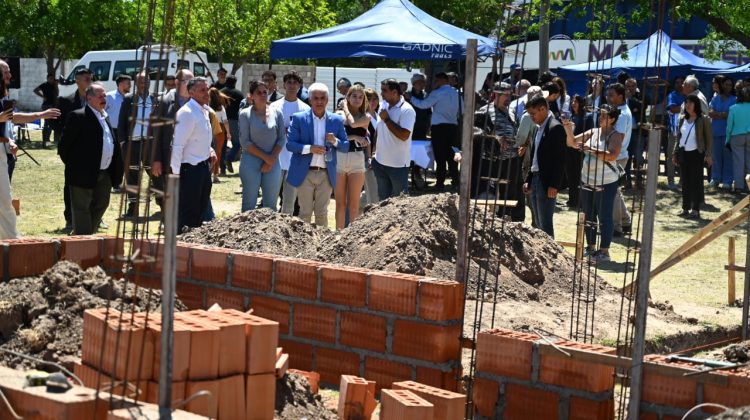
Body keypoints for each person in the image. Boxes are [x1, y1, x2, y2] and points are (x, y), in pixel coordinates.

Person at [58, 83, 124, 235]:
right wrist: (77, 166)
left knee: (101, 205)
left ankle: (83, 236)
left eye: (105, 96)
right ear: (89, 97)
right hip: (82, 174)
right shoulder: (78, 116)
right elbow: (64, 147)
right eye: (100, 96)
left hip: (105, 173)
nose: (104, 99)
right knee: (82, 209)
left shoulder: (104, 117)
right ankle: (83, 242)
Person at [563, 104, 624, 262]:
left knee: (604, 215)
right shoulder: (593, 132)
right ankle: (590, 247)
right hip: (587, 179)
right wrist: (568, 129)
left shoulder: (617, 135)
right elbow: (571, 143)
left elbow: (611, 155)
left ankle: (604, 251)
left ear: (612, 119)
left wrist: (590, 149)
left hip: (606, 181)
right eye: (600, 115)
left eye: (604, 116)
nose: (600, 118)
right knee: (588, 214)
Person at [286, 83, 348, 226]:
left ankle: (322, 246)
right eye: (316, 98)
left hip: (326, 173)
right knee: (305, 212)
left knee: (322, 213)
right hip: (305, 172)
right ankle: (302, 245)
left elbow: (345, 147)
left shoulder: (337, 120)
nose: (319, 102)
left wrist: (335, 141)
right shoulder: (298, 118)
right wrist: (310, 148)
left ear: (327, 100)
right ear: (310, 100)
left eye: (322, 98)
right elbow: (290, 145)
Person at [170, 77, 218, 231]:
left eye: (207, 89)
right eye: (202, 90)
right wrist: (176, 175)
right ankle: (180, 247)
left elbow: (199, 138)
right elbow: (177, 145)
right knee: (187, 213)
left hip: (203, 168)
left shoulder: (203, 110)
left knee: (200, 210)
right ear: (191, 92)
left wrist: (210, 150)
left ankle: (193, 248)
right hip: (189, 170)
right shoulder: (187, 113)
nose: (207, 93)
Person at [474, 82, 525, 221]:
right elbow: (477, 133)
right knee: (489, 194)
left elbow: (517, 132)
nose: (508, 98)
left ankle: (509, 220)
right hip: (492, 161)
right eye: (505, 95)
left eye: (510, 94)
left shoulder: (512, 112)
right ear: (495, 94)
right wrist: (495, 139)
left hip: (512, 160)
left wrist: (522, 144)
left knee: (511, 193)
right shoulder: (484, 111)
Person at [523, 95, 566, 238]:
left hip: (546, 182)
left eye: (533, 114)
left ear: (543, 109)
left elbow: (560, 160)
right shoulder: (537, 129)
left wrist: (554, 184)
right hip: (535, 179)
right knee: (538, 223)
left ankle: (550, 257)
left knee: (545, 223)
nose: (531, 117)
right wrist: (528, 179)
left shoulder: (556, 128)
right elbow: (535, 157)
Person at [151, 69, 193, 212]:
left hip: (192, 157)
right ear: (177, 82)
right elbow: (156, 133)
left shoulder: (198, 101)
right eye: (187, 81)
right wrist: (156, 159)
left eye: (191, 81)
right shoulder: (163, 102)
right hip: (169, 157)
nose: (190, 84)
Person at [238, 80, 285, 211]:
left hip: (273, 162)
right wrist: (266, 158)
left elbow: (281, 138)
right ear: (251, 96)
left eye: (265, 92)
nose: (263, 95)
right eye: (258, 92)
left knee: (271, 206)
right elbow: (245, 142)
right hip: (251, 162)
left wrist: (271, 160)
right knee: (249, 205)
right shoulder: (245, 114)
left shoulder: (277, 112)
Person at [410, 72, 461, 189]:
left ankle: (440, 182)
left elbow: (423, 105)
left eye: (436, 81)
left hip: (439, 128)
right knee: (452, 154)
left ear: (442, 80)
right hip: (453, 127)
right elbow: (462, 109)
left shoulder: (437, 93)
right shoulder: (457, 93)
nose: (435, 83)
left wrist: (411, 99)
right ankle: (455, 180)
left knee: (440, 156)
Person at [117, 71, 156, 218]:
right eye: (140, 81)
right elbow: (121, 122)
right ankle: (133, 209)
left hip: (150, 144)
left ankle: (162, 206)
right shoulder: (128, 99)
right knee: (132, 177)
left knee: (156, 175)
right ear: (136, 83)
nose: (144, 84)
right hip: (132, 144)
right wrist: (122, 142)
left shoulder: (155, 99)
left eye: (146, 81)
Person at [58, 67, 93, 230]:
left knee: (93, 184)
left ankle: (92, 217)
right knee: (71, 185)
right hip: (74, 150)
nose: (89, 81)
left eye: (90, 78)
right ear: (77, 80)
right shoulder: (66, 100)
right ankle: (70, 218)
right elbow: (58, 124)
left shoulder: (97, 99)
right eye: (85, 78)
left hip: (93, 149)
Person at [272, 71, 310, 215]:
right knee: (271, 198)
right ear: (284, 85)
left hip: (295, 161)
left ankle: (284, 231)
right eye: (289, 82)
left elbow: (308, 135)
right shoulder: (274, 106)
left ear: (300, 85)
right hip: (276, 158)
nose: (292, 85)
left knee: (289, 202)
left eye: (295, 82)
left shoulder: (306, 109)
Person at [372, 79, 416, 199]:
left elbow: (404, 136)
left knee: (399, 204)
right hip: (380, 163)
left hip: (398, 166)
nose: (381, 93)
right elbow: (378, 130)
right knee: (383, 203)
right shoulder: (383, 105)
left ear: (395, 92)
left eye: (384, 90)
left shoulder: (407, 110)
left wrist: (387, 120)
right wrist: (373, 153)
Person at [334, 85, 370, 229]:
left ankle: (352, 237)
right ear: (347, 97)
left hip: (357, 158)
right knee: (340, 203)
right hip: (340, 157)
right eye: (354, 96)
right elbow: (335, 137)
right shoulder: (337, 114)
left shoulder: (365, 116)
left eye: (361, 97)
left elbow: (353, 124)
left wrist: (346, 108)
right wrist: (354, 136)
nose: (357, 99)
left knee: (354, 204)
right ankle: (338, 233)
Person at [673, 95, 713, 219]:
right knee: (684, 182)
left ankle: (695, 210)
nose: (688, 105)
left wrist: (709, 155)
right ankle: (685, 208)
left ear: (696, 104)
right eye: (686, 102)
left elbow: (709, 139)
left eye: (691, 102)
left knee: (695, 182)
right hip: (683, 153)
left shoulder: (703, 119)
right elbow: (678, 137)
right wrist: (675, 153)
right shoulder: (682, 118)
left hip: (696, 153)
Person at [607, 83, 633, 236]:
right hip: (619, 155)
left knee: (612, 193)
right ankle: (626, 220)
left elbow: (620, 136)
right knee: (615, 191)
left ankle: (616, 227)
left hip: (617, 156)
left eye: (611, 95)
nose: (608, 97)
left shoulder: (622, 114)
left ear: (620, 96)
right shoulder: (620, 111)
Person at [708, 75, 736, 190]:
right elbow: (710, 112)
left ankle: (727, 181)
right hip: (715, 131)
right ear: (722, 85)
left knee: (728, 157)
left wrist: (718, 114)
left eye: (730, 85)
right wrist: (723, 114)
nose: (728, 87)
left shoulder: (735, 99)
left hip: (728, 133)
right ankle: (715, 178)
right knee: (716, 157)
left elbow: (731, 114)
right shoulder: (715, 98)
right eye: (726, 84)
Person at [565, 95, 592, 208]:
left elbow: (589, 133)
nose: (573, 103)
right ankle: (572, 200)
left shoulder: (587, 117)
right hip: (570, 150)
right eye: (572, 101)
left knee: (579, 176)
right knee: (571, 176)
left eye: (576, 101)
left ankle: (580, 201)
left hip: (580, 151)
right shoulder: (571, 116)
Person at [727, 87, 750, 194]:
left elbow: (729, 127)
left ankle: (739, 186)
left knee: (738, 162)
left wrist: (727, 140)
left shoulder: (733, 108)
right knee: (749, 161)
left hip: (737, 136)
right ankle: (748, 185)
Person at [221, 75, 244, 174]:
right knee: (237, 144)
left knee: (222, 144)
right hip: (234, 121)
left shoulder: (220, 92)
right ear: (235, 82)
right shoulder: (238, 94)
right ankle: (229, 159)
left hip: (221, 120)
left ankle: (222, 168)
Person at [666, 76, 686, 190]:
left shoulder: (689, 95)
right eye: (677, 82)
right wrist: (686, 107)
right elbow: (672, 109)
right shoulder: (672, 95)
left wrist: (681, 108)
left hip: (687, 131)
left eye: (681, 82)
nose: (679, 84)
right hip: (674, 131)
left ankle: (683, 181)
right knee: (671, 156)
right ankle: (670, 180)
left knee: (685, 156)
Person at [623, 78, 643, 190]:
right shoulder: (622, 99)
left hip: (637, 132)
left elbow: (642, 107)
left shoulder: (640, 97)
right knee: (627, 157)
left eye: (632, 86)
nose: (630, 88)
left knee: (638, 157)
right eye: (628, 86)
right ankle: (627, 182)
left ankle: (639, 181)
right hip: (625, 133)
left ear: (636, 87)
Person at [208, 88, 231, 183]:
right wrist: (228, 133)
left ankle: (208, 172)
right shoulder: (221, 107)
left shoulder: (206, 106)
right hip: (220, 130)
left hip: (209, 127)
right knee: (217, 152)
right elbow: (225, 121)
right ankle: (215, 174)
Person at [363, 88, 381, 205]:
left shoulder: (379, 115)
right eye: (369, 99)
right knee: (372, 193)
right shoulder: (364, 116)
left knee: (375, 191)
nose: (373, 101)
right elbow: (367, 139)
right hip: (368, 158)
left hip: (380, 157)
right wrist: (369, 158)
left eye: (375, 98)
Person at [33, 74, 60, 147]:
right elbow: (35, 90)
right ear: (47, 79)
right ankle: (45, 140)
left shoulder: (54, 85)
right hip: (46, 105)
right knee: (47, 123)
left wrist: (56, 85)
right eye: (50, 78)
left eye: (53, 79)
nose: (52, 80)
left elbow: (57, 94)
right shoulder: (44, 85)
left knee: (52, 123)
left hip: (53, 105)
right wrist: (42, 96)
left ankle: (50, 139)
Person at [105, 74, 132, 143]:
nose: (130, 86)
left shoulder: (131, 97)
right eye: (128, 83)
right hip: (113, 131)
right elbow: (102, 111)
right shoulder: (109, 96)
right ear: (120, 84)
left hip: (127, 131)